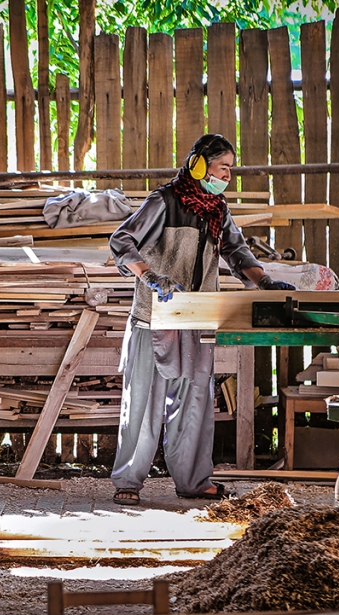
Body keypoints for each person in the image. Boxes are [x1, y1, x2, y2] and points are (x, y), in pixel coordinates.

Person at [107, 133, 293, 506]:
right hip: (154, 316)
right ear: (198, 164)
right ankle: (128, 481)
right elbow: (122, 240)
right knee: (143, 403)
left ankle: (193, 481)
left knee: (194, 404)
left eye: (230, 169)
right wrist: (150, 276)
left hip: (196, 317)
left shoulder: (217, 209)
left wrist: (265, 282)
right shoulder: (164, 201)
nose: (228, 174)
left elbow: (237, 252)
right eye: (223, 167)